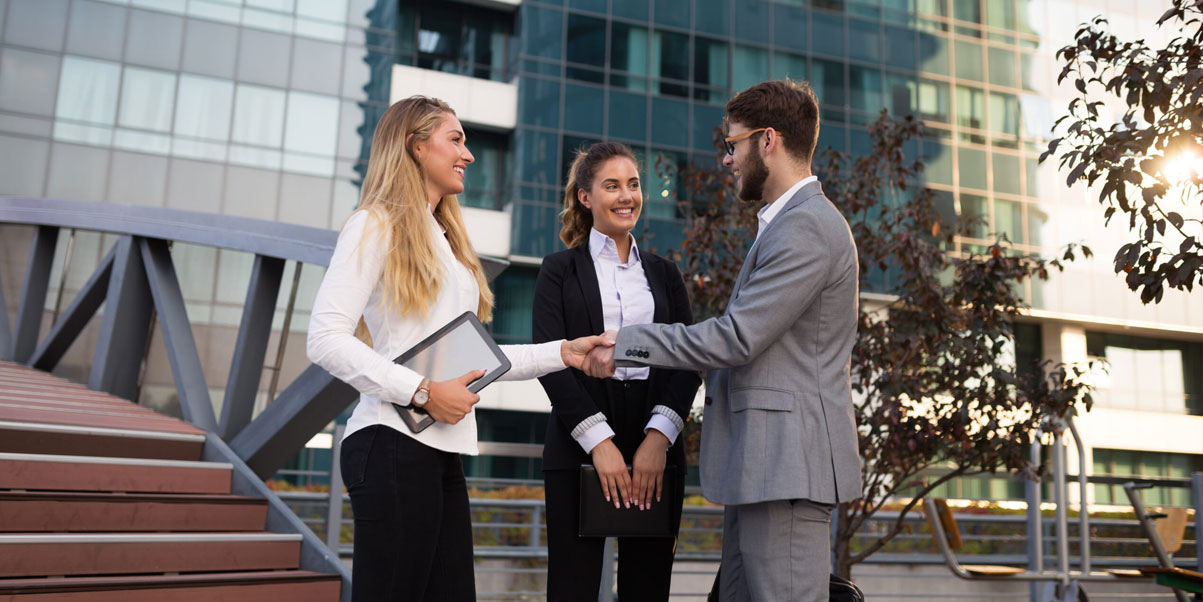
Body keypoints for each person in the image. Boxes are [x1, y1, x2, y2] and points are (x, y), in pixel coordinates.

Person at [306, 95, 611, 602]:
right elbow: (325, 337)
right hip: (390, 443)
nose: (468, 154)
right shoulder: (374, 224)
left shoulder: (445, 238)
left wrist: (565, 352)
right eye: (456, 139)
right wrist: (423, 391)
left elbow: (476, 359)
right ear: (415, 146)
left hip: (440, 450)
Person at [581, 80, 862, 602]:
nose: (727, 159)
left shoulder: (807, 228)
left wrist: (626, 343)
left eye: (733, 144)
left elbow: (736, 339)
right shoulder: (784, 226)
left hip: (787, 470)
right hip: (762, 469)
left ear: (768, 140)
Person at [532, 142, 702, 601]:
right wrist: (599, 443)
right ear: (586, 197)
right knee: (572, 588)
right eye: (612, 186)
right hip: (578, 437)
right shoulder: (558, 271)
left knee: (648, 590)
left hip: (656, 435)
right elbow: (550, 362)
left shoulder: (666, 274)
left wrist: (658, 438)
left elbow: (689, 362)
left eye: (633, 184)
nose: (627, 196)